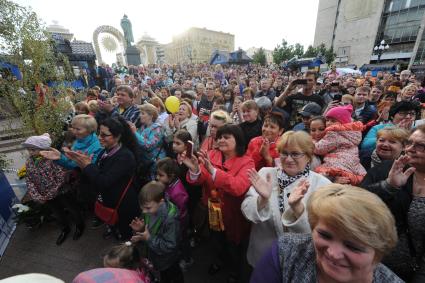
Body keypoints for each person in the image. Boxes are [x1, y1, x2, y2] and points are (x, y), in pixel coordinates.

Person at [250, 184, 403, 283]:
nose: (333, 254)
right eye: (325, 235)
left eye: (353, 246)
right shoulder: (286, 252)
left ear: (378, 253)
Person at [241, 131, 331, 268]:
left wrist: (298, 209)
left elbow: (323, 232)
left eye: (295, 154)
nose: (288, 159)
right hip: (263, 254)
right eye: (284, 153)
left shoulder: (322, 185)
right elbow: (246, 212)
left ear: (308, 156)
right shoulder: (266, 174)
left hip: (299, 260)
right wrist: (262, 200)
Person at [182, 124, 255, 282]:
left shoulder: (247, 161)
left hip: (233, 216)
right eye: (220, 137)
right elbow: (199, 180)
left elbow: (238, 188)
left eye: (227, 137)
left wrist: (213, 171)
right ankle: (218, 261)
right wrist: (195, 169)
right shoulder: (212, 154)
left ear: (238, 140)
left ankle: (234, 272)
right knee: (216, 241)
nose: (221, 139)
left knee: (234, 246)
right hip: (213, 211)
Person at [58, 116, 140, 240]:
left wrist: (87, 164)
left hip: (122, 204)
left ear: (117, 136)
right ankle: (114, 231)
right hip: (110, 200)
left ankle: (128, 250)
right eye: (99, 133)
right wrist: (77, 160)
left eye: (104, 135)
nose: (99, 137)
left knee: (125, 233)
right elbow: (97, 172)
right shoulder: (106, 150)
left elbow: (103, 181)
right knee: (114, 225)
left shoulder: (125, 157)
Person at [360, 125, 425, 282]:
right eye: (409, 143)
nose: (410, 149)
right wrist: (389, 185)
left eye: (420, 145)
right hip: (377, 266)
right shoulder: (387, 169)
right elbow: (357, 203)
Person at [23, 134, 85, 246]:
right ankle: (65, 229)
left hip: (61, 191)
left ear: (43, 148)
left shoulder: (52, 159)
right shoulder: (29, 162)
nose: (30, 152)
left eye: (33, 149)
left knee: (72, 208)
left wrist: (51, 192)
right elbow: (29, 180)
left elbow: (62, 176)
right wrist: (37, 195)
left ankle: (80, 225)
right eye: (29, 150)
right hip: (45, 196)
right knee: (57, 213)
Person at [130, 181, 184, 283]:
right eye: (142, 208)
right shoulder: (151, 208)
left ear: (161, 201)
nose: (144, 212)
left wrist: (148, 239)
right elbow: (150, 229)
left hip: (168, 260)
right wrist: (141, 229)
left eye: (147, 208)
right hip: (156, 257)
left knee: (173, 276)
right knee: (163, 276)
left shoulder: (170, 220)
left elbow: (169, 245)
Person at [314, 105, 366, 185]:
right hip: (353, 163)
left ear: (342, 121)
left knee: (320, 179)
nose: (329, 123)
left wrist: (311, 142)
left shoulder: (334, 132)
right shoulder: (353, 132)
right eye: (327, 120)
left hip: (338, 162)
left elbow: (319, 149)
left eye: (333, 121)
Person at [156, 158, 193, 271]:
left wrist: (175, 225)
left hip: (179, 223)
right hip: (173, 221)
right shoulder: (169, 185)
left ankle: (186, 260)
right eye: (157, 174)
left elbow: (180, 212)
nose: (157, 178)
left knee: (182, 241)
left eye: (161, 175)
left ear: (171, 176)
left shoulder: (177, 193)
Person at [131, 104, 166, 181]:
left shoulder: (158, 128)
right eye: (140, 113)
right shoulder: (142, 127)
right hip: (144, 162)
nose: (140, 115)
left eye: (143, 113)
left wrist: (134, 133)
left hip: (154, 164)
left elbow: (148, 146)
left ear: (151, 116)